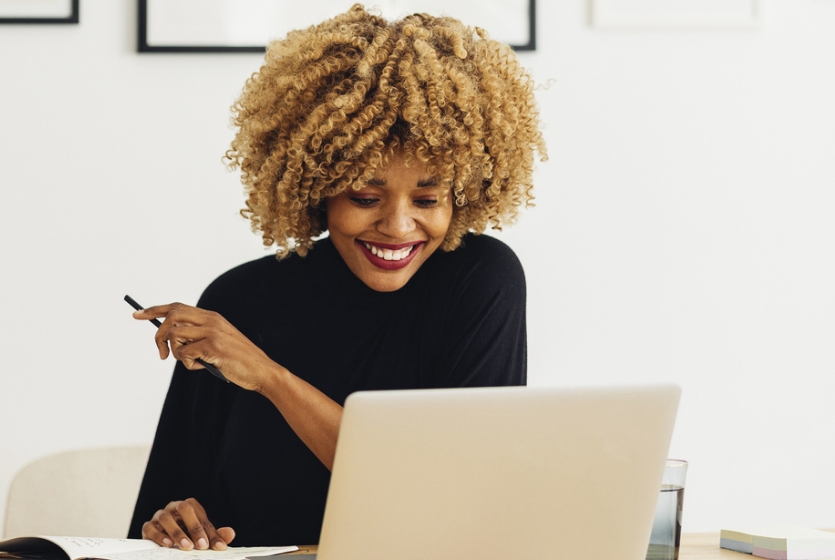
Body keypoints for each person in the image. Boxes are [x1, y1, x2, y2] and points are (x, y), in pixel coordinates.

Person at [124, 6, 545, 550]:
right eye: (365, 197)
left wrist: (268, 376)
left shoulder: (479, 283)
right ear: (316, 187)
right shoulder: (238, 302)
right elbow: (157, 516)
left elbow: (447, 497)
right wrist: (171, 523)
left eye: (428, 198)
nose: (398, 226)